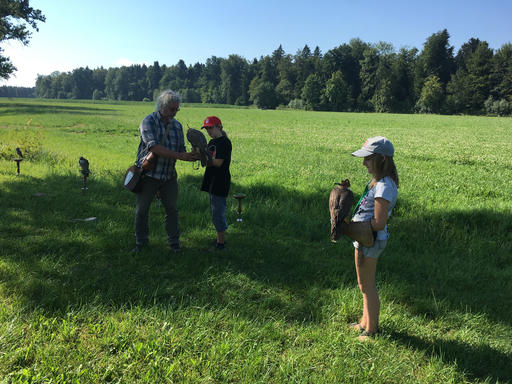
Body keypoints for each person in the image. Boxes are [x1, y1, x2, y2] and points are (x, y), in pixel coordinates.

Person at [131, 90, 198, 254]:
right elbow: (154, 147)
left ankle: (174, 244)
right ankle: (141, 243)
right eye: (171, 109)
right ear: (161, 106)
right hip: (149, 175)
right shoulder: (148, 121)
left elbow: (180, 149)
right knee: (142, 211)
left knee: (172, 210)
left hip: (169, 175)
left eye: (177, 110)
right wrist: (180, 156)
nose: (174, 113)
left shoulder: (177, 126)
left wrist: (193, 155)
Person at [349, 136, 399, 340]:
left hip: (371, 238)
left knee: (368, 285)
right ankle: (364, 322)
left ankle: (372, 330)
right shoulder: (378, 182)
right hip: (363, 238)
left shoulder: (384, 186)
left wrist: (349, 228)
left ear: (382, 159)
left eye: (368, 159)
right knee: (363, 283)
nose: (364, 163)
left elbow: (378, 222)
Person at [200, 116, 232, 251]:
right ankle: (220, 239)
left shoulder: (225, 142)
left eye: (211, 128)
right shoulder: (212, 141)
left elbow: (218, 162)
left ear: (219, 126)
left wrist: (203, 157)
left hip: (220, 181)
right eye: (206, 128)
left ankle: (220, 245)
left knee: (218, 213)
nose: (208, 131)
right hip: (212, 180)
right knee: (214, 211)